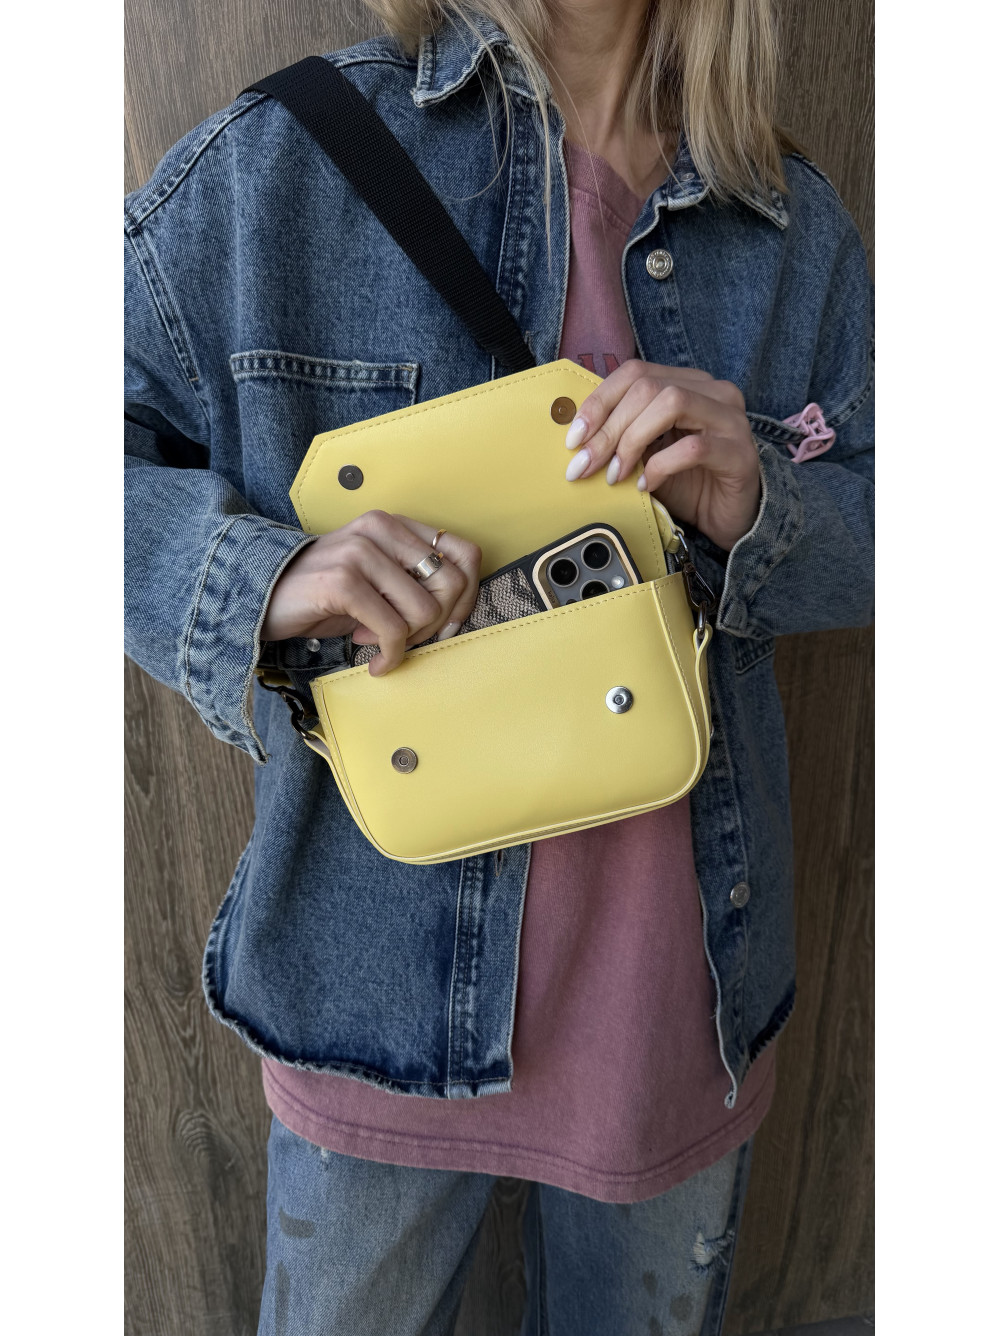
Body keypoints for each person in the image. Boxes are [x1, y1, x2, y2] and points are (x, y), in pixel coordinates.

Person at [124, 1, 874, 1332]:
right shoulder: (286, 162)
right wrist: (259, 581)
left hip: (673, 1008)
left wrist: (768, 502)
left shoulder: (787, 228)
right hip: (369, 1004)